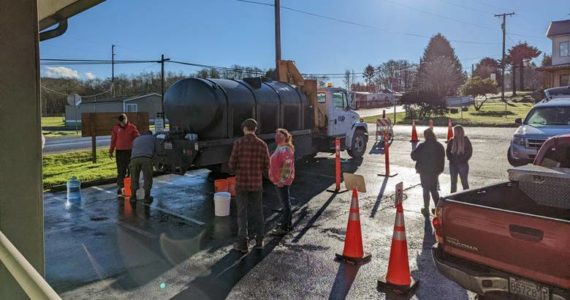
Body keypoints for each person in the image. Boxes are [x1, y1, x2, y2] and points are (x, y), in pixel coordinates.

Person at [228, 118, 270, 253]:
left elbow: (231, 164)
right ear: (255, 129)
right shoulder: (262, 144)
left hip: (241, 183)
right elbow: (266, 165)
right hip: (256, 184)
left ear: (245, 128)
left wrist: (237, 169)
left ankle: (243, 244)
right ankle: (259, 241)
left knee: (242, 213)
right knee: (258, 211)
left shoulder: (238, 143)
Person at [411, 128, 445, 217]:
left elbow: (413, 156)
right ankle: (438, 210)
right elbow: (442, 159)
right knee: (434, 190)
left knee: (425, 189)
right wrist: (440, 170)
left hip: (424, 171)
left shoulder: (422, 146)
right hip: (434, 172)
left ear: (425, 136)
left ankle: (426, 208)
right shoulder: (439, 146)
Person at [269, 128, 295, 236]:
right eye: (276, 134)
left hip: (281, 181)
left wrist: (282, 180)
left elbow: (287, 166)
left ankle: (285, 227)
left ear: (285, 136)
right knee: (284, 203)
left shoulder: (286, 149)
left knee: (285, 204)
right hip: (278, 180)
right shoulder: (280, 147)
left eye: (279, 134)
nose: (276, 136)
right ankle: (287, 224)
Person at [109, 113, 140, 195]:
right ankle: (120, 187)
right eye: (120, 122)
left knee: (130, 170)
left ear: (126, 120)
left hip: (129, 151)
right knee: (121, 170)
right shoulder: (116, 128)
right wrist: (111, 151)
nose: (121, 124)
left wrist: (137, 148)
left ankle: (128, 188)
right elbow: (113, 140)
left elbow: (138, 138)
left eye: (123, 122)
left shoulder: (132, 127)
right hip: (119, 152)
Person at [129, 130, 156, 205]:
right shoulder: (153, 138)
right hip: (146, 158)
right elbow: (156, 150)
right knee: (147, 178)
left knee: (134, 177)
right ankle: (147, 197)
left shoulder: (137, 139)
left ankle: (133, 197)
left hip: (134, 159)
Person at [446, 125, 472, 193]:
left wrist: (461, 160)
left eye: (456, 131)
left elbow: (469, 152)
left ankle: (467, 196)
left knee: (464, 182)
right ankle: (452, 197)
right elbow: (448, 152)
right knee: (453, 182)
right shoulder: (452, 140)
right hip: (453, 164)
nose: (454, 133)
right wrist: (451, 159)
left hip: (462, 164)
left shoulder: (465, 140)